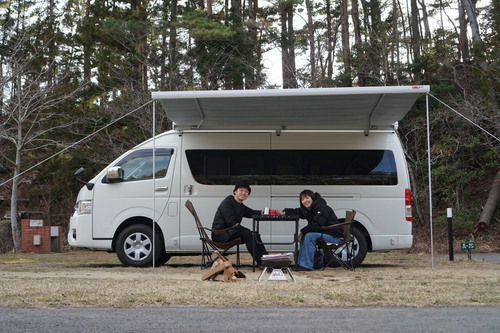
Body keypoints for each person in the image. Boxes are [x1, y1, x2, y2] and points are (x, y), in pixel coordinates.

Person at [279, 189, 341, 271]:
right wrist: (285, 212)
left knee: (309, 235)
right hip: (325, 234)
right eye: (302, 199)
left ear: (313, 198)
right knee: (307, 235)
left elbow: (317, 226)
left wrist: (301, 233)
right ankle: (301, 264)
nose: (305, 201)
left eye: (307, 198)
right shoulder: (310, 209)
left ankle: (306, 265)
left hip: (334, 237)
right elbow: (298, 211)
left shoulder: (321, 208)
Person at [212, 180, 268, 267]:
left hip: (230, 233)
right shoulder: (227, 203)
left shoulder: (240, 205)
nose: (243, 193)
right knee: (248, 234)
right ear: (235, 191)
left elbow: (250, 212)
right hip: (221, 234)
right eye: (241, 190)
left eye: (246, 191)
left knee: (255, 234)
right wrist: (248, 231)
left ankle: (266, 259)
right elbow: (231, 222)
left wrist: (261, 212)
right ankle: (260, 262)